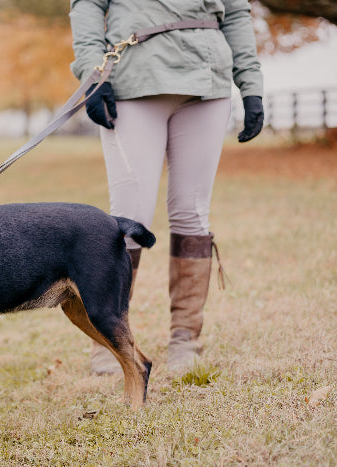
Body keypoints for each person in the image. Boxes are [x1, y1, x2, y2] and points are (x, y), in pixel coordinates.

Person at [69, 0, 264, 373]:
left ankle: (185, 338)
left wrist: (251, 85)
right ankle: (111, 338)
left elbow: (237, 12)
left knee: (192, 213)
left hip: (208, 80)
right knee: (130, 216)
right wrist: (94, 75)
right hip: (135, 77)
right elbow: (88, 6)